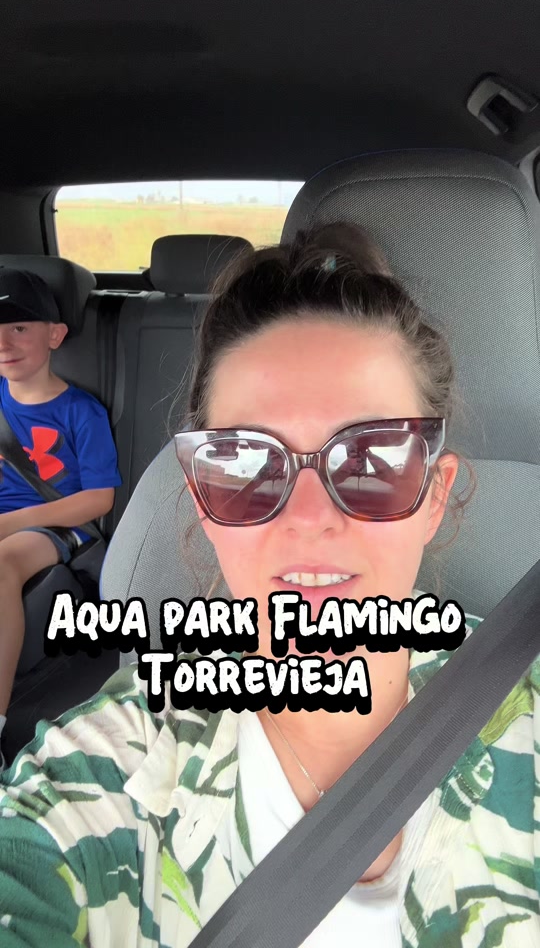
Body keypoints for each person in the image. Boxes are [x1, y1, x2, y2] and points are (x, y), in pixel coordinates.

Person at [0, 224, 537, 948]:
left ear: (433, 495)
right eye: (247, 467)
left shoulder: (524, 708)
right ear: (202, 500)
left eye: (372, 462)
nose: (309, 519)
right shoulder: (109, 771)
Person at [0, 268, 122, 771]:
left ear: (55, 335)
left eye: (19, 328)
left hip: (55, 527)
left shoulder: (79, 412)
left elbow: (99, 499)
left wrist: (14, 522)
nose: (4, 343)